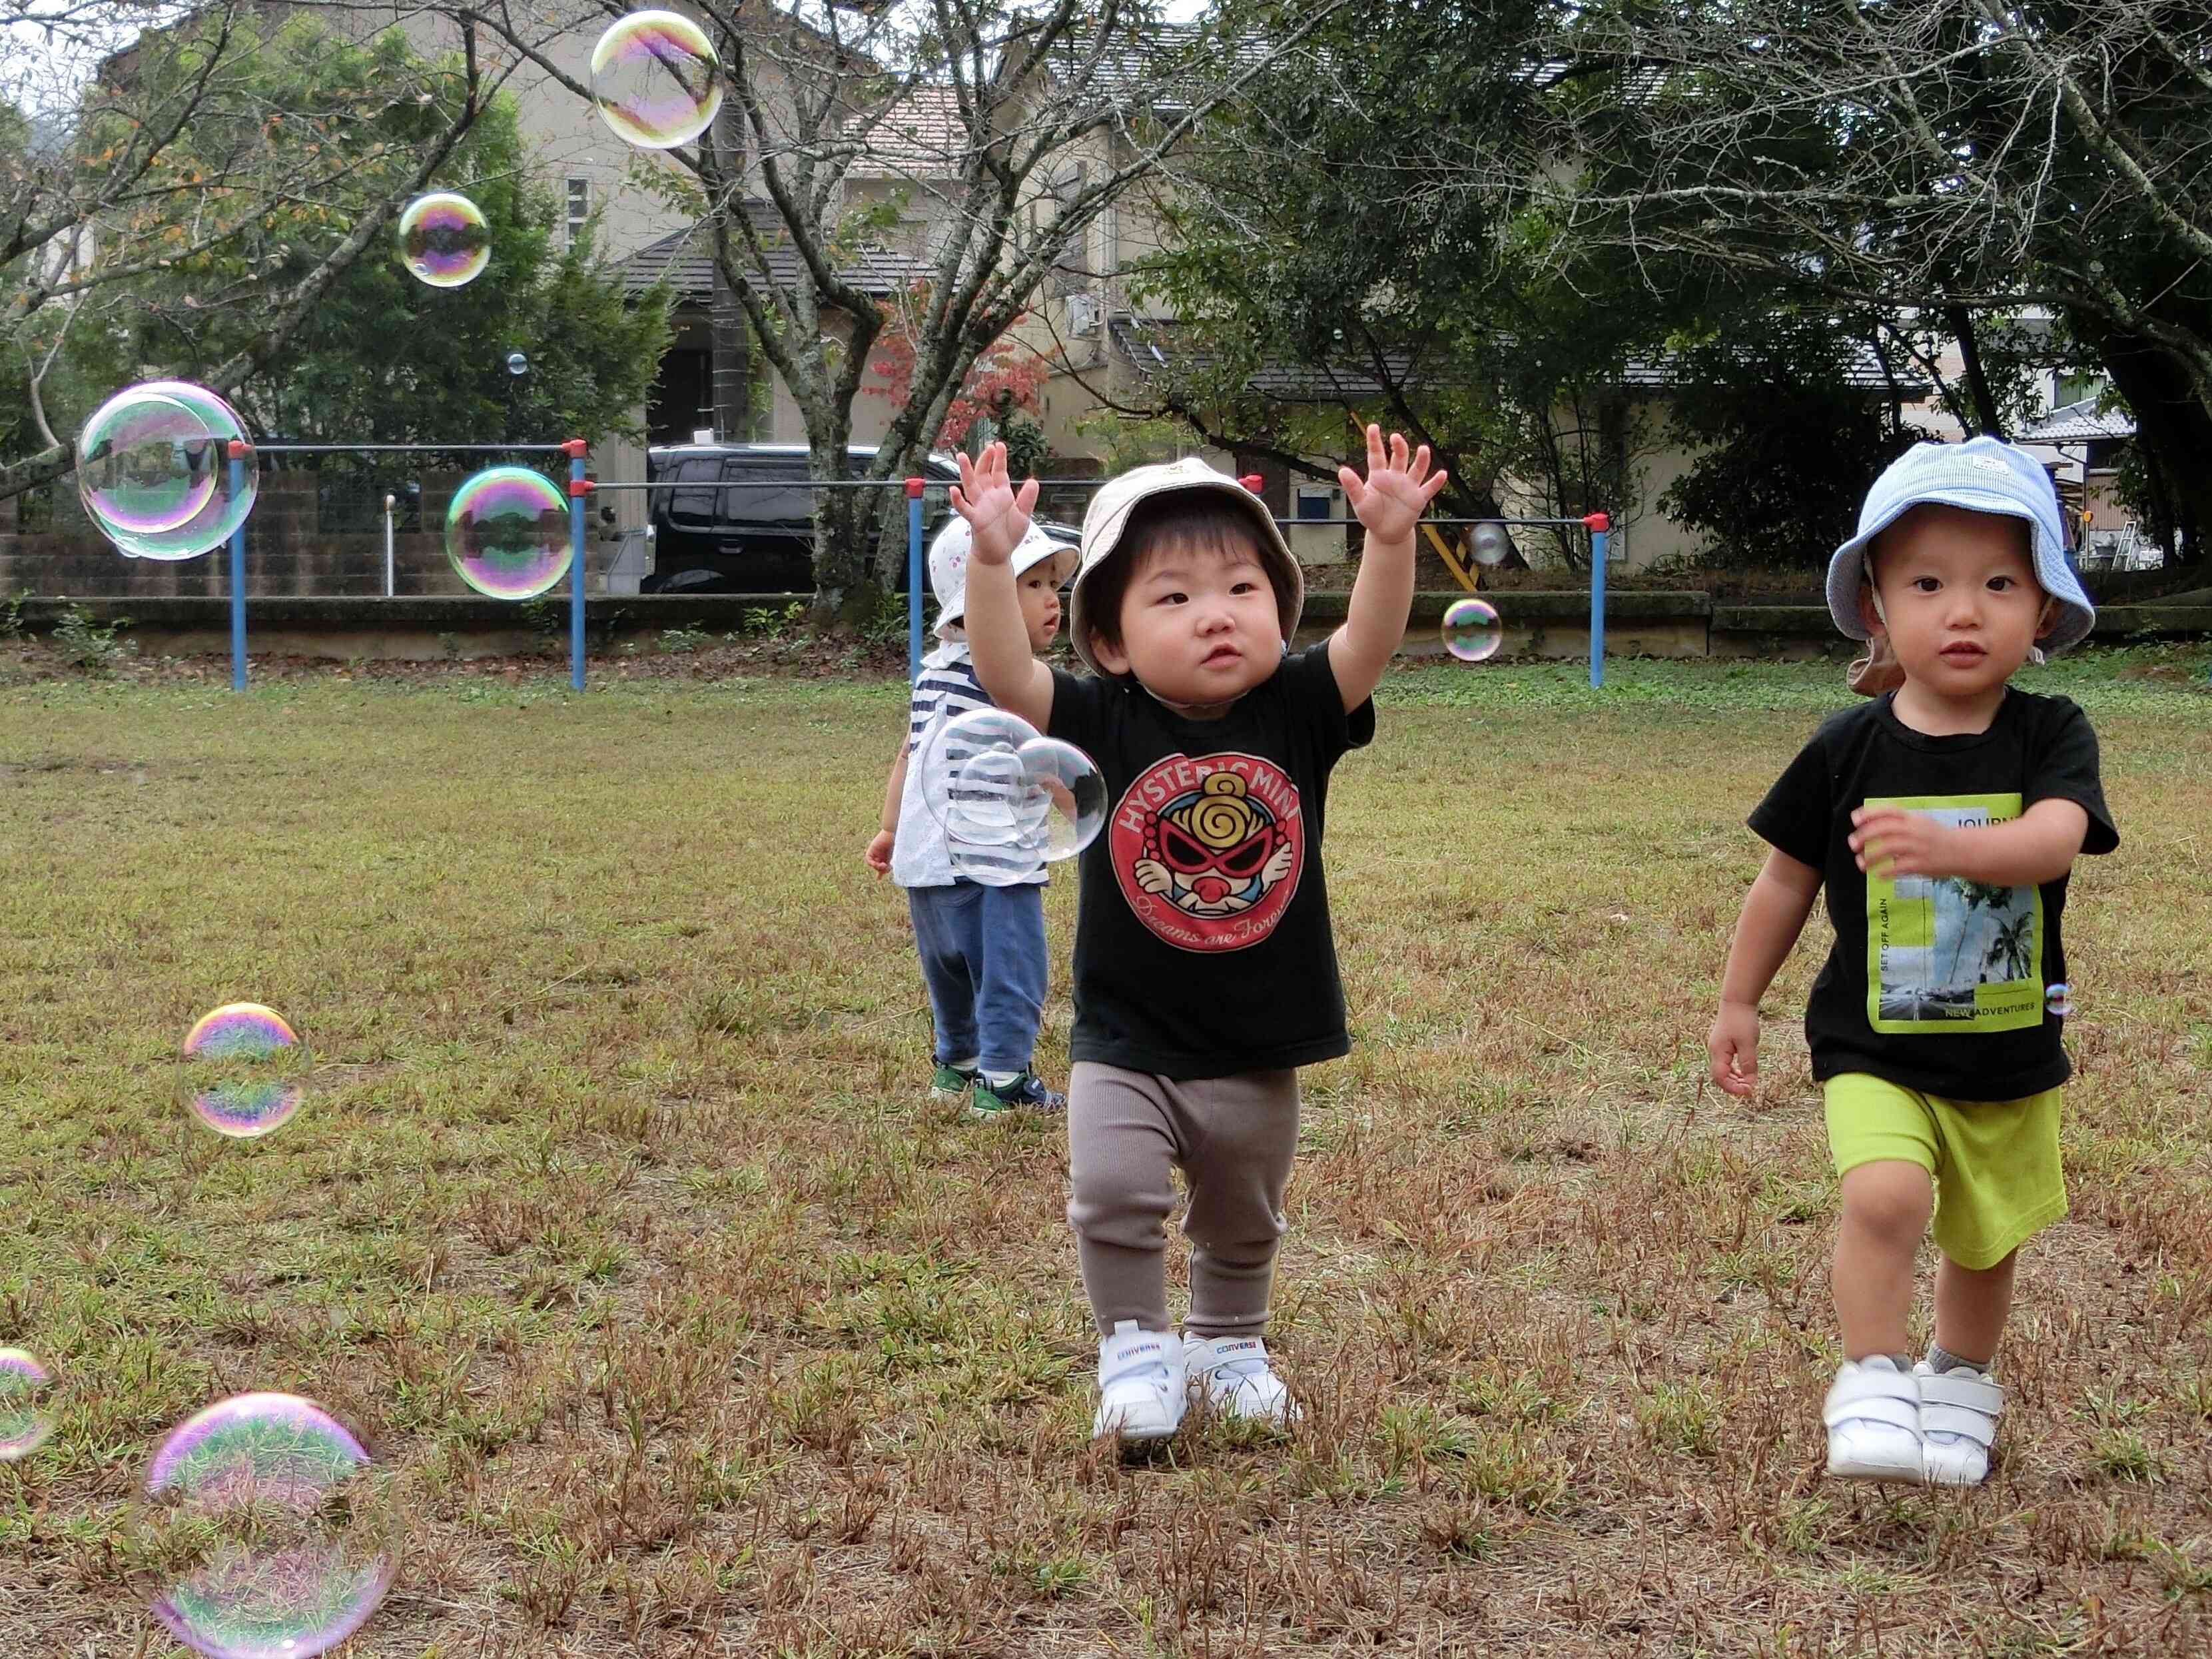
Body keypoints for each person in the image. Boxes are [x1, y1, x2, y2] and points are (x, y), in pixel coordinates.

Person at [951, 428, 1446, 1442]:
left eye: (1241, 589)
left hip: (1264, 1030)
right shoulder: (1100, 717)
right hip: (1126, 1032)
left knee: (1242, 1211)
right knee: (1112, 1192)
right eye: (1173, 598)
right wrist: (993, 561)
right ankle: (1134, 1348)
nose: (1215, 614)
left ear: (1277, 607)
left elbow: (1371, 640)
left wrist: (1389, 542)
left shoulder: (1299, 707)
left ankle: (1227, 1345)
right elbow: (1008, 675)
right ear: (1113, 639)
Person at [1707, 436, 2118, 1486]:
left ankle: (1960, 1381)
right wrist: (1737, 999)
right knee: (1885, 1196)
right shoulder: (1846, 746)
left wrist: (1952, 847)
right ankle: (1873, 1377)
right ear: (1880, 606)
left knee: (1984, 1242)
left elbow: (2057, 839)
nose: (1964, 609)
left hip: (2008, 1054)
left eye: (1998, 583)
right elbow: (1784, 881)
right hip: (1871, 1043)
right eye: (1927, 582)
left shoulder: (2048, 733)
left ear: (2044, 610)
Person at [865, 514, 1076, 1118]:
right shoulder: (1009, 681)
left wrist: (890, 829)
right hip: (993, 860)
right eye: (1031, 585)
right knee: (1012, 972)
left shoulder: (934, 670)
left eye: (1050, 585)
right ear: (976, 603)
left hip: (928, 857)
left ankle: (955, 1067)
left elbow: (912, 750)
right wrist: (1098, 819)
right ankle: (1005, 1084)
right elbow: (1047, 766)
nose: (1051, 600)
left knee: (950, 970)